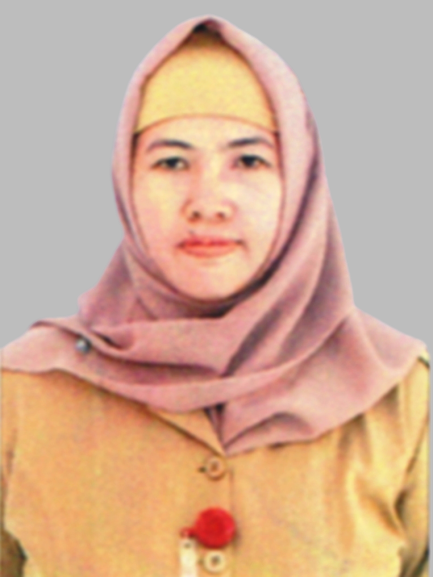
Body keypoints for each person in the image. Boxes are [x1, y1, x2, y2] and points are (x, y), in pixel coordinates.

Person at [1, 15, 428, 577]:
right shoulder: (25, 392)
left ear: (299, 183)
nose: (207, 201)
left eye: (249, 161)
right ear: (126, 181)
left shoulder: (398, 396)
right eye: (171, 162)